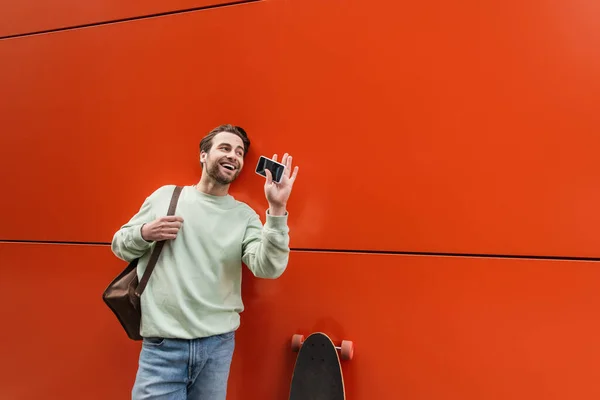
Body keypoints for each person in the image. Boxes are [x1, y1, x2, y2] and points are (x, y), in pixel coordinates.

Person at [110, 124, 299, 400]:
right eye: (224, 148)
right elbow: (119, 244)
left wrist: (277, 208)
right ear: (203, 155)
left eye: (239, 152)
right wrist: (144, 233)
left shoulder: (243, 215)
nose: (233, 155)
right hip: (163, 347)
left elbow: (268, 267)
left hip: (217, 348)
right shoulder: (166, 197)